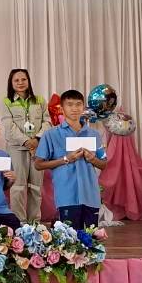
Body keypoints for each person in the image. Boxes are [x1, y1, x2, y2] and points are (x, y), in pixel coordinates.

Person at [34, 89, 108, 229]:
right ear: (62, 109)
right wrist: (66, 159)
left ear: (83, 107)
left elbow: (103, 164)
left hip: (91, 196)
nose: (74, 108)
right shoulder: (51, 134)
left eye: (78, 104)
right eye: (70, 104)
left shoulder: (93, 134)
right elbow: (38, 164)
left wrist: (92, 159)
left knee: (90, 238)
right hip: (66, 196)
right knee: (70, 239)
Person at [2, 68, 49, 224]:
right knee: (18, 187)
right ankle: (20, 222)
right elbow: (9, 126)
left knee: (36, 187)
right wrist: (26, 141)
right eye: (16, 80)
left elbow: (47, 122)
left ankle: (34, 222)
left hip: (38, 148)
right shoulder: (7, 101)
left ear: (28, 81)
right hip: (17, 148)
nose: (20, 83)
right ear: (11, 83)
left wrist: (37, 138)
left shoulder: (40, 100)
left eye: (23, 79)